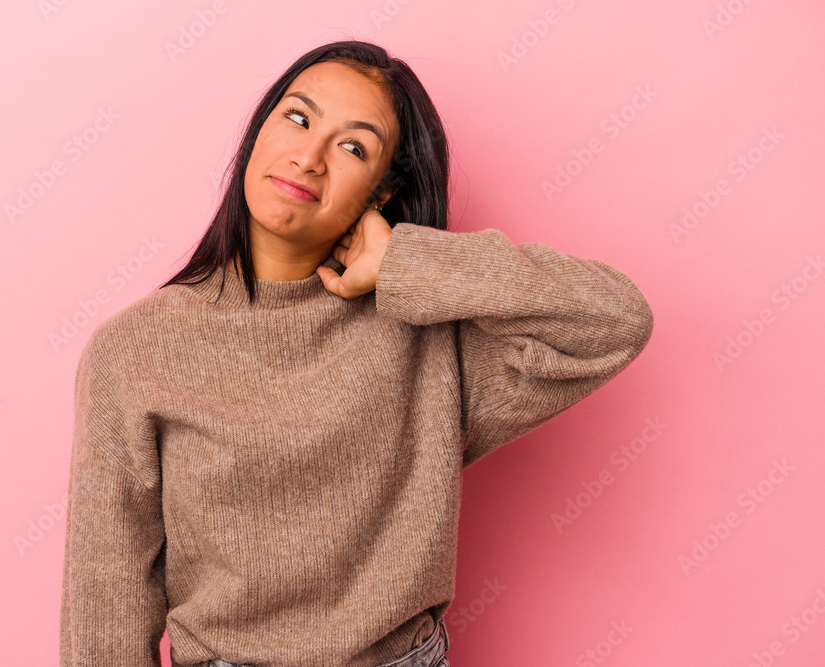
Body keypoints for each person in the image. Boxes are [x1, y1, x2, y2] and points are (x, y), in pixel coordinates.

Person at [59, 39, 654, 667]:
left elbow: (616, 320)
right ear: (258, 131)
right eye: (297, 117)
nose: (308, 157)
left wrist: (406, 260)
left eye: (353, 148)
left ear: (381, 193)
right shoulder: (136, 349)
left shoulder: (428, 334)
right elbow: (105, 601)